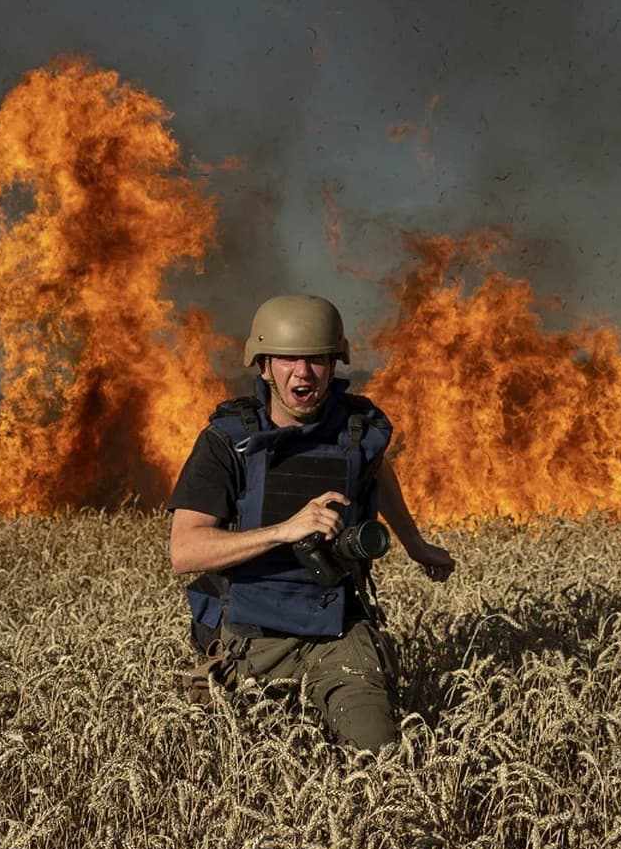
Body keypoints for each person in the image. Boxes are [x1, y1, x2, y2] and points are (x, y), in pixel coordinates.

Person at [168, 294, 455, 750]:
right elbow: (185, 551)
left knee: (379, 764)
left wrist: (416, 545)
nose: (302, 373)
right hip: (253, 641)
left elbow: (377, 471)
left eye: (316, 359)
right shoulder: (228, 442)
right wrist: (285, 530)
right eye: (287, 359)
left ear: (334, 363)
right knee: (226, 768)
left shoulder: (358, 431)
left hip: (340, 633)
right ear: (263, 366)